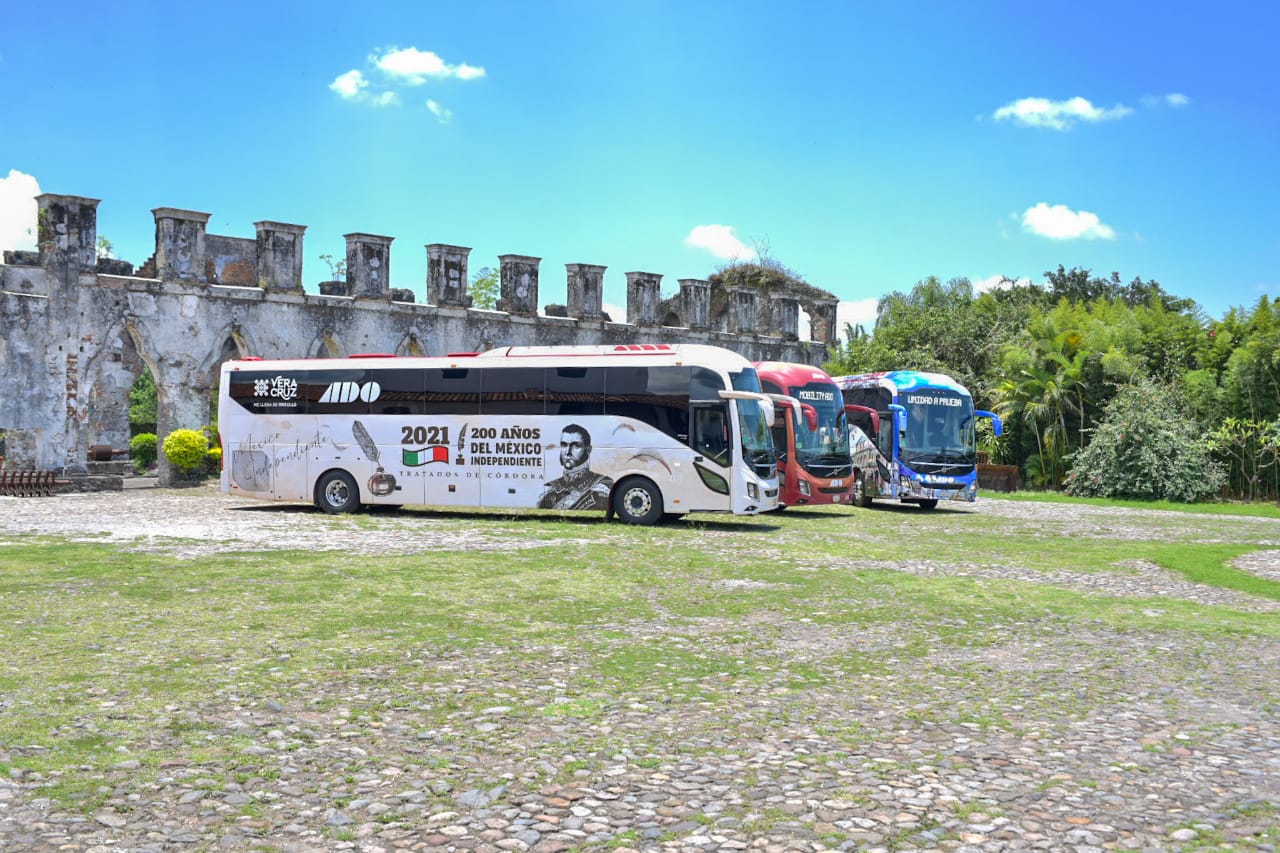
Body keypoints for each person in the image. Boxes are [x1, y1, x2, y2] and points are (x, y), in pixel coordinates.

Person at [538, 424, 614, 510]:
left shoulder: (603, 484)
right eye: (564, 445)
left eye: (576, 446)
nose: (568, 452)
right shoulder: (549, 488)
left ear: (588, 450)